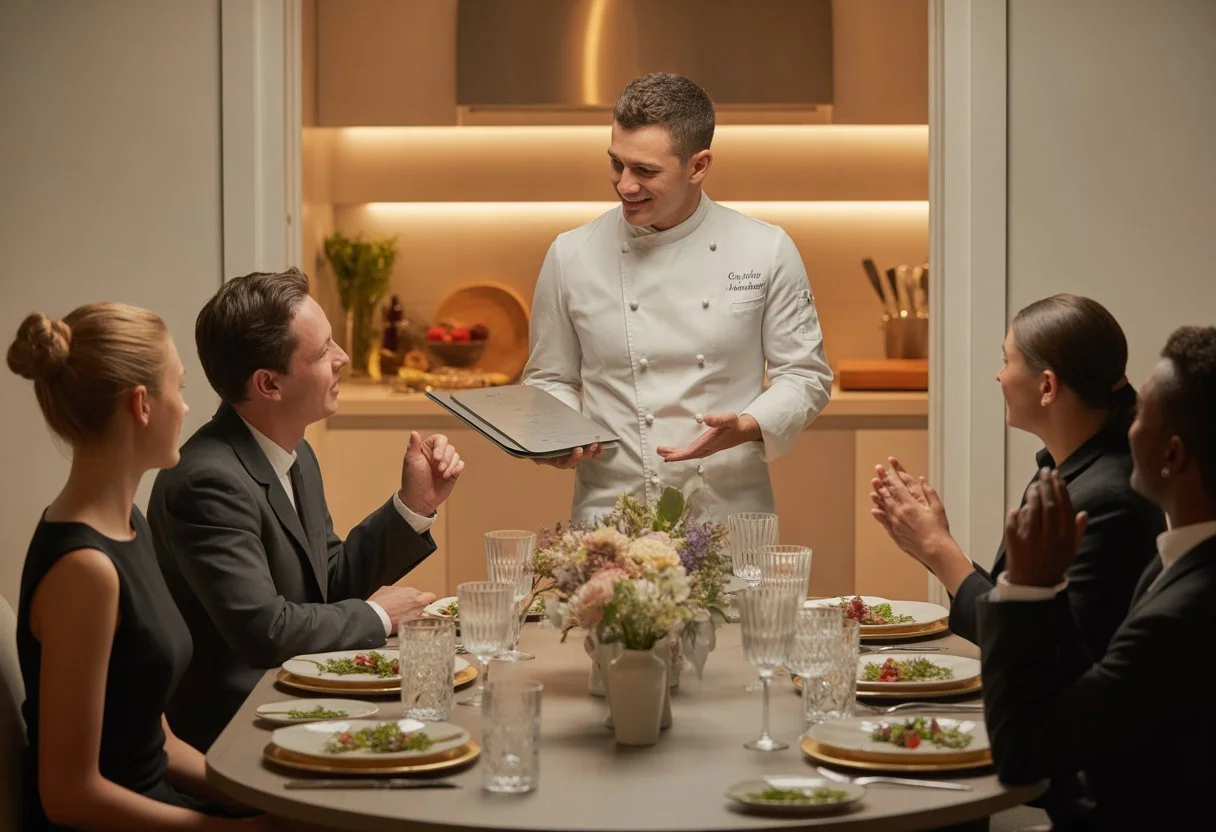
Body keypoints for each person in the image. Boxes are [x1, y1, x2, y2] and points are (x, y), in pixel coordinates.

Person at [148, 269, 464, 752]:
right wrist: (379, 615)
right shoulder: (206, 481)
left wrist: (414, 505)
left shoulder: (294, 453)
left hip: (296, 695)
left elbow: (327, 582)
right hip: (236, 732)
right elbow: (265, 631)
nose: (343, 358)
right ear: (269, 383)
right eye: (322, 353)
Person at [522, 72, 833, 523]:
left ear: (699, 166)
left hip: (728, 515)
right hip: (610, 516)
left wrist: (749, 424)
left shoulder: (765, 248)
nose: (625, 185)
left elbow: (805, 375)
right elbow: (551, 377)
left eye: (646, 171)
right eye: (616, 164)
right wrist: (560, 435)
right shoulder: (570, 255)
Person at [8, 305, 266, 830]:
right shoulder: (85, 570)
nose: (187, 406)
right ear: (142, 404)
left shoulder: (129, 523)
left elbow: (154, 741)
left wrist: (254, 796)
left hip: (158, 802)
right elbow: (70, 796)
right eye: (180, 387)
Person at [980, 325, 1216, 830]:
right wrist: (1049, 586)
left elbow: (1023, 754)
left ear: (1172, 455)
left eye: (1142, 417)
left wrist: (1028, 591)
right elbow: (1094, 692)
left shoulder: (1183, 616)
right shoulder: (1171, 563)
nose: (1127, 428)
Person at [870, 294, 1164, 658]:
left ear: (1047, 387)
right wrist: (930, 544)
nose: (999, 374)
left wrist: (938, 549)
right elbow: (1021, 609)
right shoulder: (1067, 471)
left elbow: (1036, 649)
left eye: (1006, 360)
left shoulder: (1108, 500)